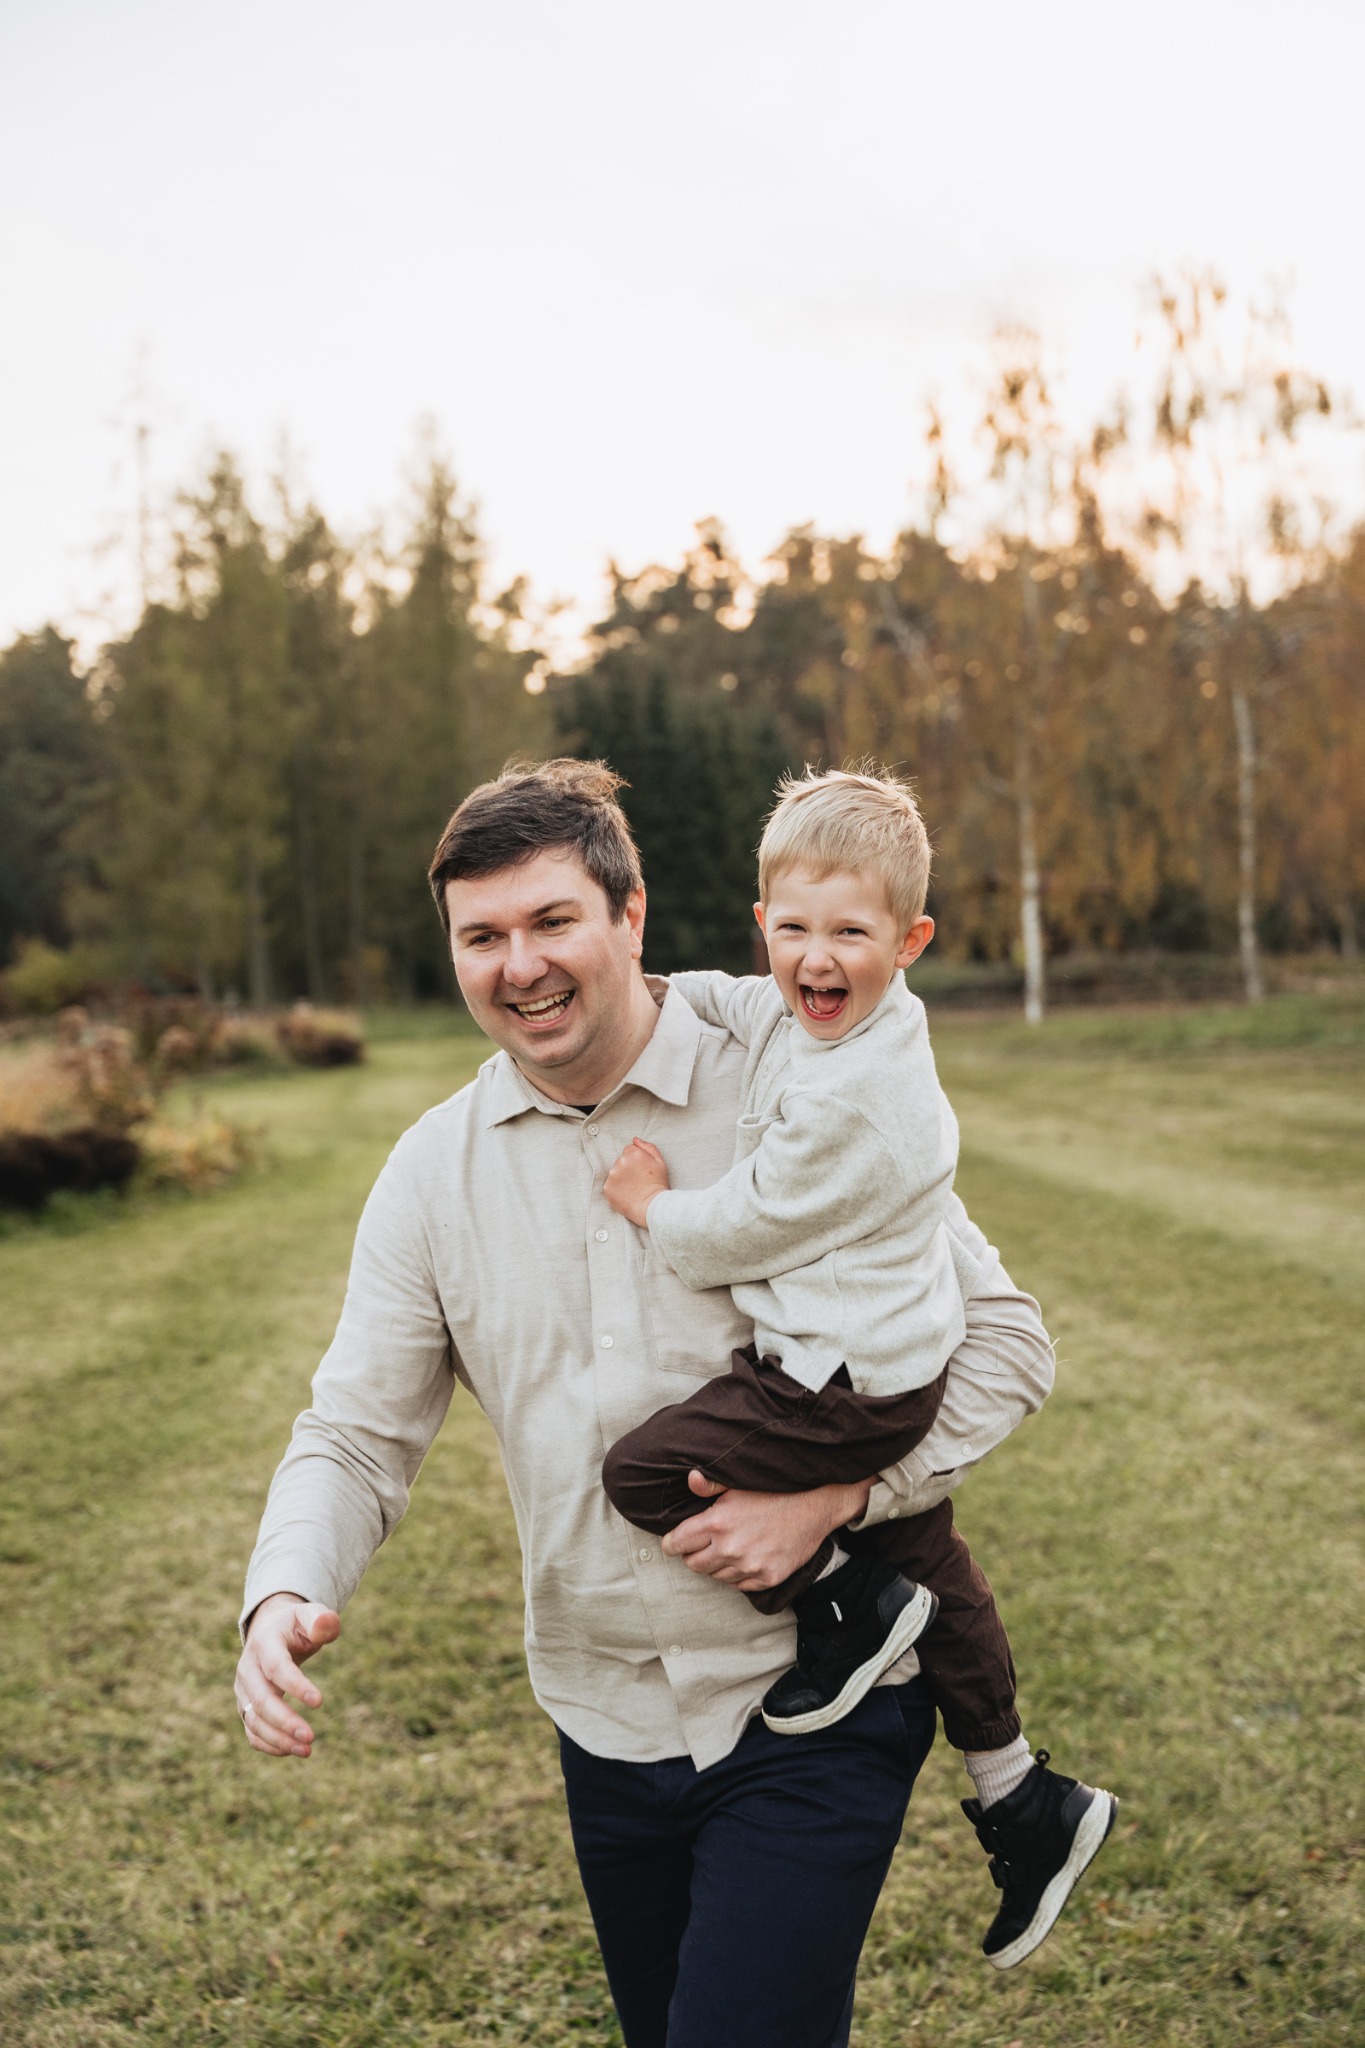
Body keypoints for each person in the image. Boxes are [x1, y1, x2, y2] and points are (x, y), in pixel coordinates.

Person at [230, 760, 1092, 2045]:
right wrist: (282, 1587)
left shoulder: (800, 1072)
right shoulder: (429, 1176)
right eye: (482, 936)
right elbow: (355, 1433)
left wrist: (840, 1498)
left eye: (552, 920)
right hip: (605, 1725)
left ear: (631, 914)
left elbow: (1008, 1342)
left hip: (815, 1705)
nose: (520, 965)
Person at [598, 766, 1117, 1969]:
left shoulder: (855, 1100)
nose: (815, 958)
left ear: (912, 940)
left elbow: (745, 1228)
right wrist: (654, 984)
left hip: (833, 1386)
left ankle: (842, 1601)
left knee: (643, 1471)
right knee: (931, 1555)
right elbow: (749, 1002)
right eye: (793, 929)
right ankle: (1022, 1793)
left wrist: (649, 1204)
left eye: (850, 934)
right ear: (763, 924)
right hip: (882, 1366)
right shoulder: (829, 1012)